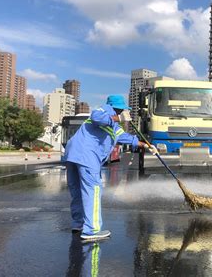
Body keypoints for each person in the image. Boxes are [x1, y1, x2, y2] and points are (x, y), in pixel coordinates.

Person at [64, 94, 157, 241]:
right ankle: (92, 230)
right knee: (92, 190)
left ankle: (78, 224)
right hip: (87, 156)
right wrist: (117, 118)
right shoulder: (105, 111)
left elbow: (124, 137)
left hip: (73, 155)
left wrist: (145, 145)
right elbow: (96, 116)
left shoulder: (112, 125)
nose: (122, 113)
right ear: (117, 108)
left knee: (77, 191)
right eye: (121, 110)